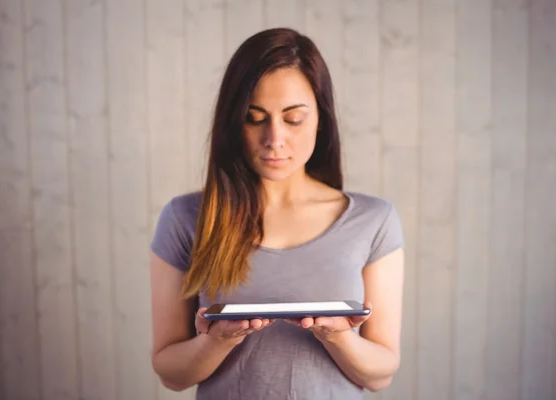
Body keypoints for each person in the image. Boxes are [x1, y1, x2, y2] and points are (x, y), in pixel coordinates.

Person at [149, 27, 405, 400]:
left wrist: (336, 336)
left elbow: (380, 374)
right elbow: (171, 374)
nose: (274, 139)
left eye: (293, 119)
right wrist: (217, 342)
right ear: (233, 122)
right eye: (255, 118)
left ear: (321, 118)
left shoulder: (374, 221)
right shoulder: (185, 218)